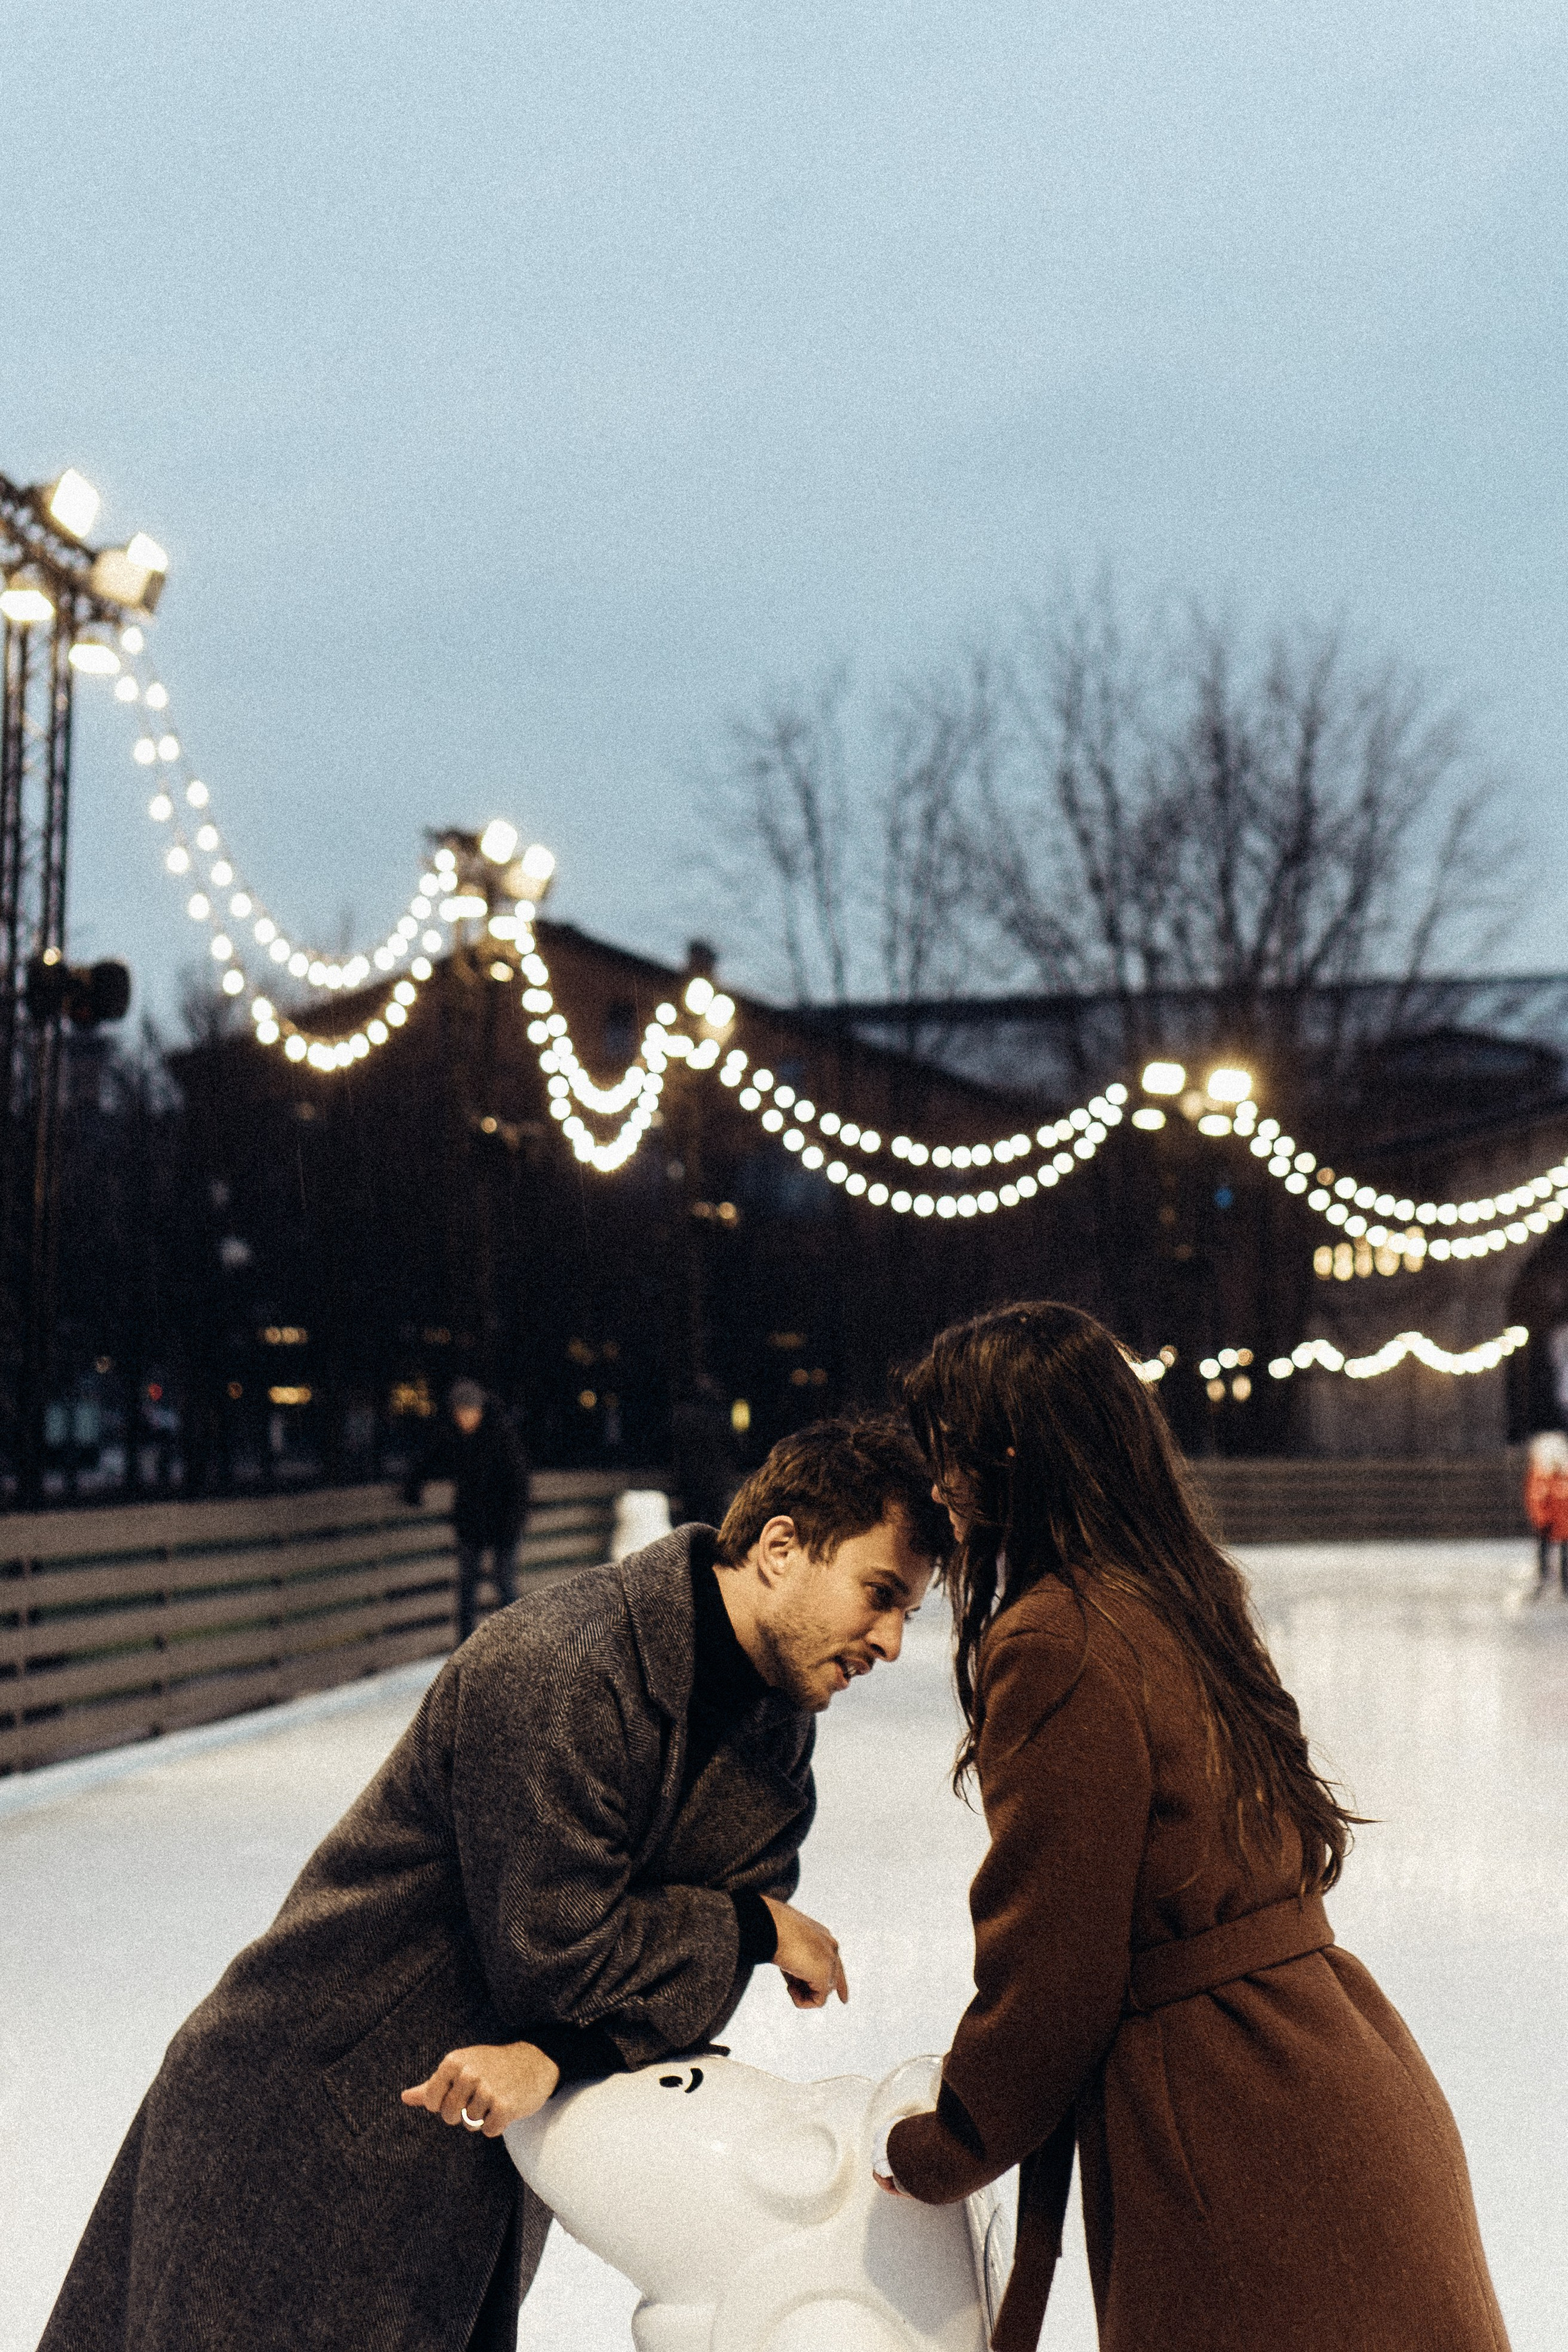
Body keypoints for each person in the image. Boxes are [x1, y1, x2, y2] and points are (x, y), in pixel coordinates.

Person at [40, 1415, 948, 2352]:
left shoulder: (776, 1736)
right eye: (878, 1595)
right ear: (780, 1547)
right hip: (310, 2120)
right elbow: (561, 1965)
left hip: (471, 2148)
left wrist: (589, 2032)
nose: (888, 1642)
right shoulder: (564, 1666)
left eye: (908, 1614)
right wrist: (752, 1926)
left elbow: (670, 2004)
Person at [878, 1302, 1509, 2352]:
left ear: (1018, 1450)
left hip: (1234, 2127)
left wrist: (948, 2143)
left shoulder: (1058, 1637)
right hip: (1332, 2069)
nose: (940, 1484)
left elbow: (1055, 1962)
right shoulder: (1175, 1596)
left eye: (954, 1451)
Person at [404, 1378, 530, 1641]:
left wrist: (511, 1526)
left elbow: (519, 1483)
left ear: (480, 1410)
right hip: (472, 1522)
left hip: (504, 1522)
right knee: (467, 1587)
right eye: (459, 1413)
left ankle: (519, 1643)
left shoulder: (501, 1434)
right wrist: (413, 1486)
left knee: (503, 1582)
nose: (464, 1419)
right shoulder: (452, 1435)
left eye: (469, 1412)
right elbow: (430, 1459)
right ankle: (464, 1648)